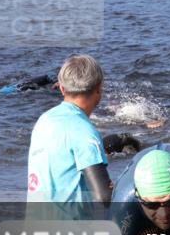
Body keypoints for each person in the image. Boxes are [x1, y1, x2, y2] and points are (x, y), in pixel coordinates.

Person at [26, 55, 111, 218]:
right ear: (99, 87)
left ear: (62, 89)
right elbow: (104, 197)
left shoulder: (44, 120)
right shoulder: (85, 132)